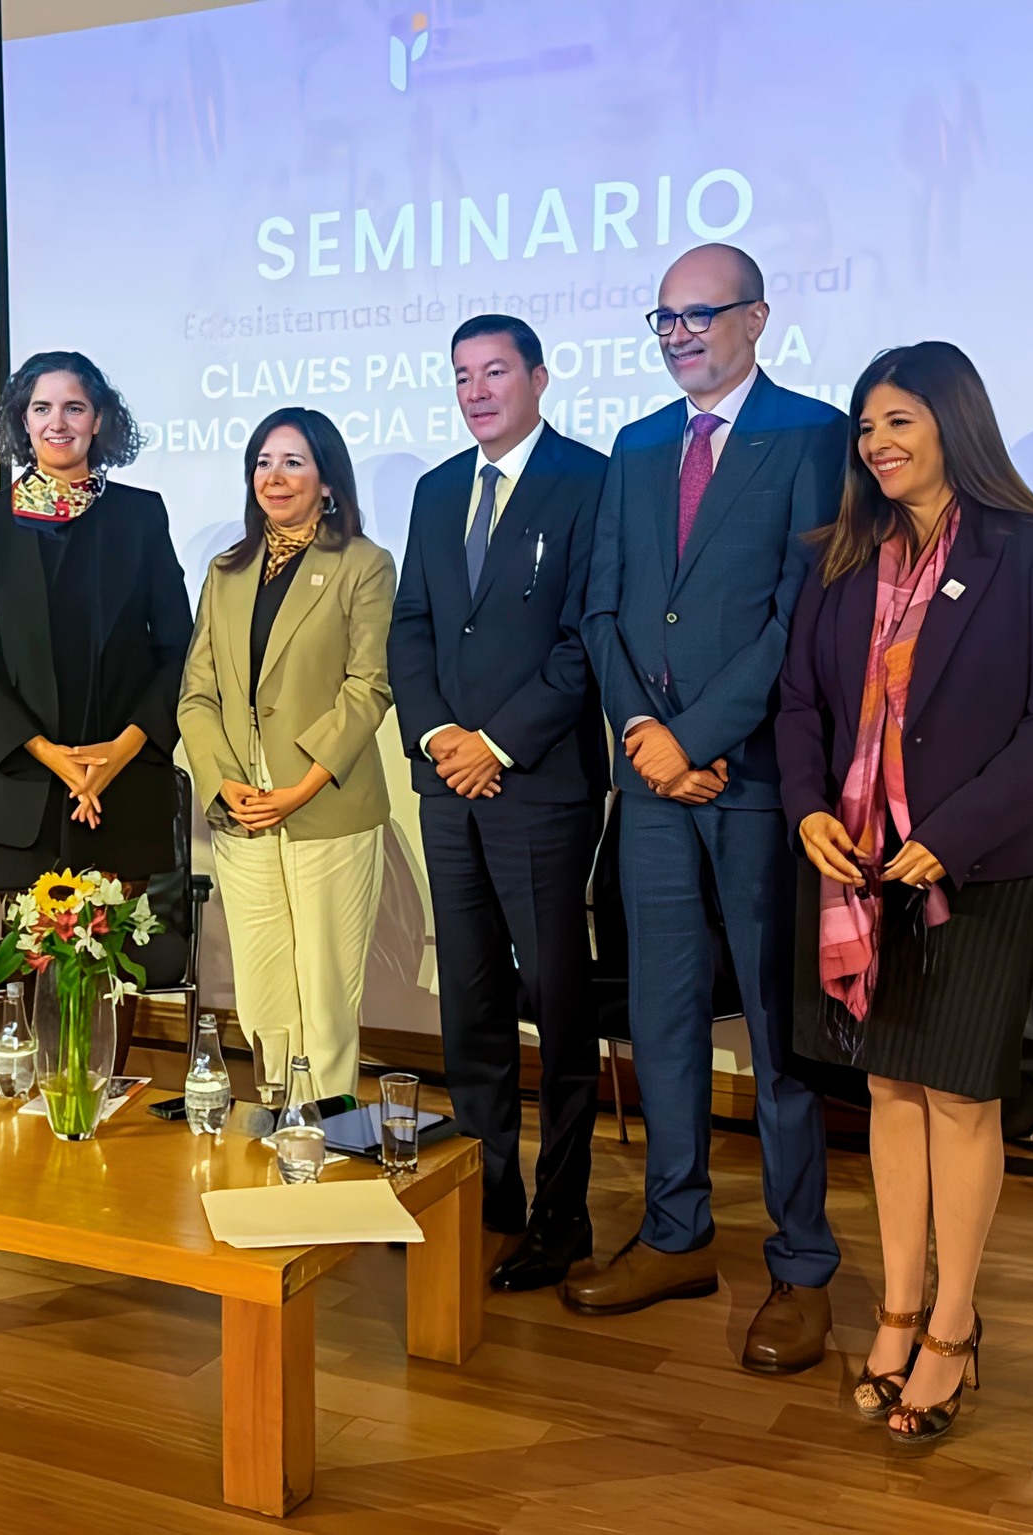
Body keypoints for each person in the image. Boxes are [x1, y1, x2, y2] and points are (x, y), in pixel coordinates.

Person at [776, 341, 1033, 1444]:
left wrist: (946, 836)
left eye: (898, 420)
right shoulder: (837, 555)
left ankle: (953, 1325)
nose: (875, 443)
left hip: (980, 868)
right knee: (888, 1093)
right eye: (865, 426)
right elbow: (796, 707)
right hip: (855, 868)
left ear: (953, 422)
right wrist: (807, 806)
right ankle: (898, 1307)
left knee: (956, 1096)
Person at [570, 243, 849, 1374]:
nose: (678, 333)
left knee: (780, 1038)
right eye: (663, 318)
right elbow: (602, 610)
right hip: (652, 786)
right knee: (663, 1014)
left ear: (756, 318)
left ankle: (802, 1265)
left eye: (699, 314)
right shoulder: (636, 446)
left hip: (750, 782)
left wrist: (698, 737)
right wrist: (646, 736)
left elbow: (801, 618)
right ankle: (676, 1231)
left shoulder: (814, 434)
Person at [389, 314, 609, 1291]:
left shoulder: (589, 481)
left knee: (559, 1009)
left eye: (493, 372)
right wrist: (441, 738)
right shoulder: (438, 491)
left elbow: (581, 640)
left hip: (542, 786)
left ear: (538, 378)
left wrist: (497, 744)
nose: (476, 391)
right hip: (449, 787)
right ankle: (489, 1189)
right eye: (461, 377)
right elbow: (411, 630)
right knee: (470, 1001)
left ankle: (563, 1213)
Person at [177, 407, 395, 1099]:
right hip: (243, 806)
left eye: (293, 462)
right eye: (264, 462)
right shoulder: (226, 569)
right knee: (264, 990)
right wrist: (220, 782)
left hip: (324, 803)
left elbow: (369, 686)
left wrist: (301, 784)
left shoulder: (363, 563)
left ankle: (326, 1126)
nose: (275, 476)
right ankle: (279, 1116)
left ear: (327, 480)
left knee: (324, 990)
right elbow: (195, 694)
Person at [0, 351, 191, 890]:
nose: (58, 422)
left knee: (120, 965)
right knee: (33, 962)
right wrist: (50, 755)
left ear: (99, 420)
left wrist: (119, 752)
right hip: (22, 784)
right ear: (23, 420)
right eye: (42, 408)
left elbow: (180, 650)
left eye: (74, 408)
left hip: (123, 783)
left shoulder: (141, 515)